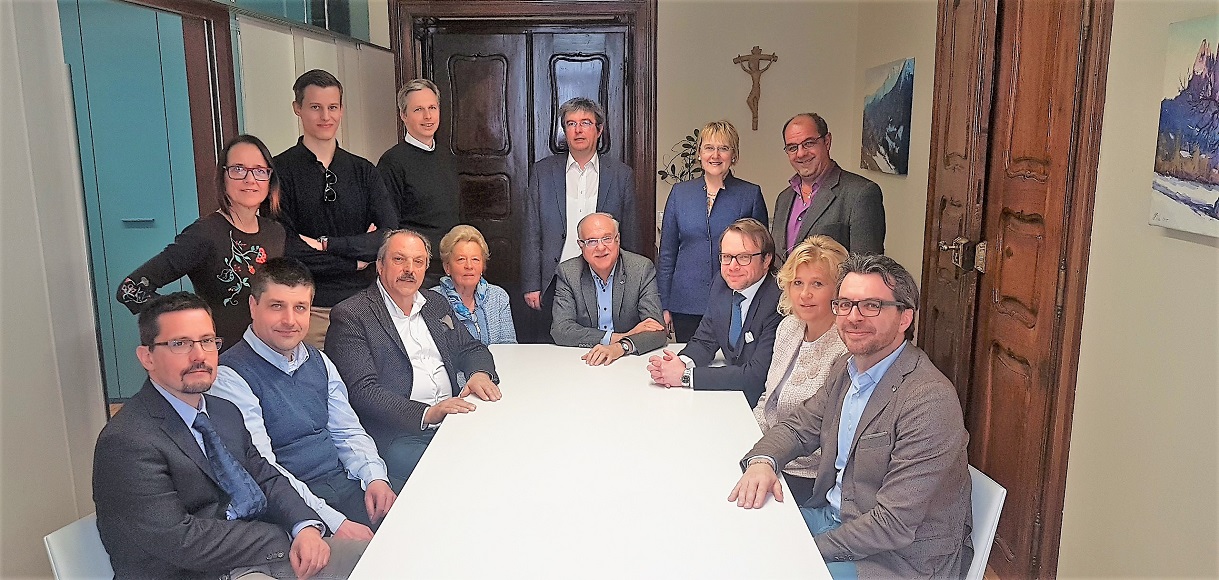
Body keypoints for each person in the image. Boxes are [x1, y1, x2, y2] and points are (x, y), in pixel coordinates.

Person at [728, 254, 972, 580]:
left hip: (897, 559)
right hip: (835, 519)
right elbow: (798, 427)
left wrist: (803, 548)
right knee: (735, 532)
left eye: (871, 306)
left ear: (905, 318)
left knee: (773, 567)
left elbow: (893, 525)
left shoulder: (928, 399)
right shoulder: (847, 369)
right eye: (845, 304)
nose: (853, 317)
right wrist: (763, 461)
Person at [93, 292, 366, 580]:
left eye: (207, 341)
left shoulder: (223, 411)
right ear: (147, 357)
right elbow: (181, 541)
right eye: (180, 344)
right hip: (193, 572)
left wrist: (304, 526)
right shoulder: (126, 441)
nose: (199, 356)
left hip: (252, 555)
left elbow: (266, 477)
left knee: (370, 557)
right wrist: (282, 536)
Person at [210, 258, 396, 542]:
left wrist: (375, 477)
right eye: (277, 306)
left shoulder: (319, 360)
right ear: (253, 306)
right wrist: (335, 522)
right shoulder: (230, 377)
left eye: (300, 307)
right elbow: (263, 470)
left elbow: (347, 431)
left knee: (428, 520)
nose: (290, 320)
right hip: (293, 510)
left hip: (343, 484)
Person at [325, 230, 501, 488]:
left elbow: (470, 348)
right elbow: (362, 391)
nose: (409, 269)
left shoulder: (435, 303)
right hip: (398, 434)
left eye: (418, 262)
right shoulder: (352, 315)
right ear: (380, 265)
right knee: (466, 470)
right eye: (399, 259)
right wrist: (428, 413)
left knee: (506, 447)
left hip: (453, 421)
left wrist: (479, 375)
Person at [118, 134, 286, 352]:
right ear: (223, 177)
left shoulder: (276, 232)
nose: (250, 179)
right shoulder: (204, 234)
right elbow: (130, 289)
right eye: (238, 169)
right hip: (220, 359)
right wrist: (186, 321)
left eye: (260, 171)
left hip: (269, 354)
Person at [272, 69, 398, 349]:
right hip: (307, 310)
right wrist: (354, 260)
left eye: (332, 107)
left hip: (366, 306)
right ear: (297, 108)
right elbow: (286, 246)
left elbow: (389, 237)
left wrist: (326, 245)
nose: (325, 116)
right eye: (315, 107)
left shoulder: (363, 170)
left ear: (341, 110)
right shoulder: (279, 171)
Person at [522, 97, 637, 341]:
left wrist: (631, 285)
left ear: (599, 130)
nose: (578, 130)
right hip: (554, 279)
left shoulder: (621, 175)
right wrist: (532, 283)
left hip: (605, 278)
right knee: (554, 347)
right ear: (565, 131)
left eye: (585, 123)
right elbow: (532, 231)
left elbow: (630, 234)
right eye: (571, 124)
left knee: (602, 346)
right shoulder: (543, 172)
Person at [752, 235, 849, 506]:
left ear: (838, 291)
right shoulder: (788, 328)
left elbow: (830, 436)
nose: (805, 294)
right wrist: (751, 442)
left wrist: (768, 457)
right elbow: (768, 399)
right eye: (797, 283)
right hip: (770, 454)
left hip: (806, 475)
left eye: (817, 284)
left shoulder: (846, 347)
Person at [647, 218, 782, 406]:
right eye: (726, 257)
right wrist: (681, 363)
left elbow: (756, 376)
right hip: (728, 397)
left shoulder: (779, 301)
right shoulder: (721, 283)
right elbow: (705, 340)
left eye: (744, 257)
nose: (732, 267)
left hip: (762, 405)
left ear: (766, 259)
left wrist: (686, 376)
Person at [657, 120, 768, 342]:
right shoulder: (680, 194)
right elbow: (667, 254)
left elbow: (762, 256)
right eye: (709, 147)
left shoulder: (750, 194)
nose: (715, 155)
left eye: (723, 148)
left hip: (735, 300)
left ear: (733, 155)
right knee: (688, 358)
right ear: (699, 153)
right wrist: (664, 304)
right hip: (686, 303)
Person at [551, 213, 667, 365]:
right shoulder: (568, 272)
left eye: (607, 238)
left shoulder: (641, 269)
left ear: (617, 239)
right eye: (592, 241)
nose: (600, 247)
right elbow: (561, 330)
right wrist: (618, 337)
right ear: (581, 245)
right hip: (583, 358)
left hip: (629, 360)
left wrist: (621, 347)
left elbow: (657, 329)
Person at [377, 78, 460, 288]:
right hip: (417, 271)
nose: (428, 116)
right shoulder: (392, 162)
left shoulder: (447, 157)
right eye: (418, 110)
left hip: (451, 266)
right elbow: (389, 226)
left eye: (432, 108)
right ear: (403, 115)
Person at [771, 113, 886, 262]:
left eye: (809, 143)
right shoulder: (784, 198)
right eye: (792, 147)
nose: (800, 153)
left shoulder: (861, 193)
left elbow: (865, 268)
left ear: (827, 141)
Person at [430, 224, 517, 345]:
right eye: (461, 259)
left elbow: (509, 346)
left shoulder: (498, 297)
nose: (469, 266)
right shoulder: (432, 300)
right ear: (447, 267)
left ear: (483, 266)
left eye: (475, 259)